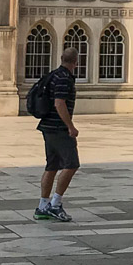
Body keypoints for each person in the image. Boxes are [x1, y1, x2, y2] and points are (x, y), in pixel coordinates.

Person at [35, 46, 81, 222]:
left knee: (52, 166)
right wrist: (70, 126)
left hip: (47, 126)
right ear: (76, 62)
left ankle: (42, 206)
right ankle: (55, 204)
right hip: (58, 128)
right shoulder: (64, 79)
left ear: (61, 58)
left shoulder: (54, 75)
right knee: (72, 164)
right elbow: (59, 103)